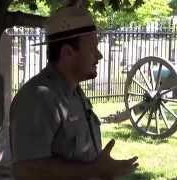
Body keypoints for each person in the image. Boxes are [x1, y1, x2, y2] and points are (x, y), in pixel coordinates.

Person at [9, 5, 139, 180]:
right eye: (92, 48)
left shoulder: (74, 92)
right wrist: (95, 170)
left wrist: (102, 171)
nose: (99, 56)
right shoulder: (38, 98)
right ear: (68, 53)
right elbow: (27, 170)